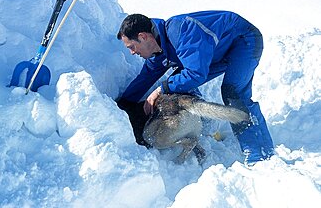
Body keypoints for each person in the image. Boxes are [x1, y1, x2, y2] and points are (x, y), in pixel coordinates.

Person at [116, 10, 274, 165]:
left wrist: (161, 89)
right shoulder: (158, 49)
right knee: (177, 85)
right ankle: (203, 124)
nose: (131, 52)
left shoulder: (183, 31)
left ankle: (260, 155)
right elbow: (146, 77)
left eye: (132, 46)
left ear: (143, 37)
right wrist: (121, 105)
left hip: (243, 41)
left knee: (233, 93)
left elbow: (196, 74)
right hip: (216, 52)